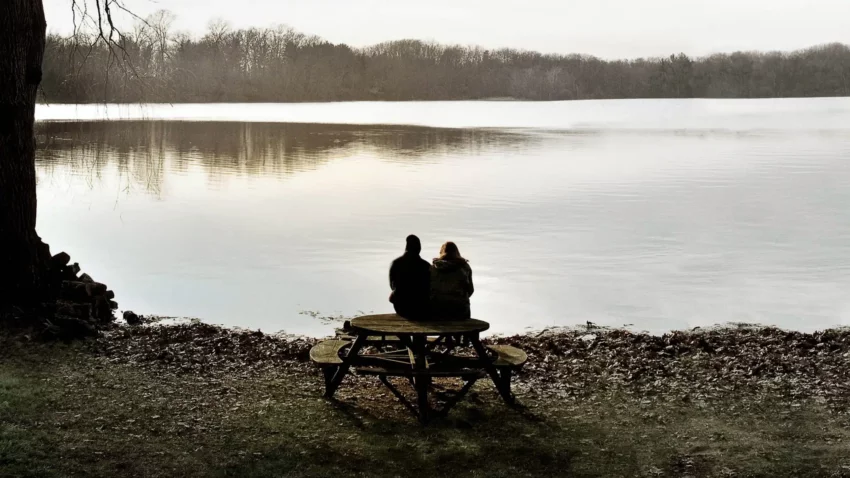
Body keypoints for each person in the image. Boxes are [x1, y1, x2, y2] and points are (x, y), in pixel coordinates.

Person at [389, 235, 431, 319]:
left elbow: (392, 285)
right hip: (421, 307)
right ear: (419, 248)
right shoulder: (426, 265)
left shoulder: (396, 263)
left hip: (400, 307)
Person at [430, 241, 474, 320]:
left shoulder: (434, 268)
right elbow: (470, 290)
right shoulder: (464, 267)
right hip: (460, 310)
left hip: (437, 309)